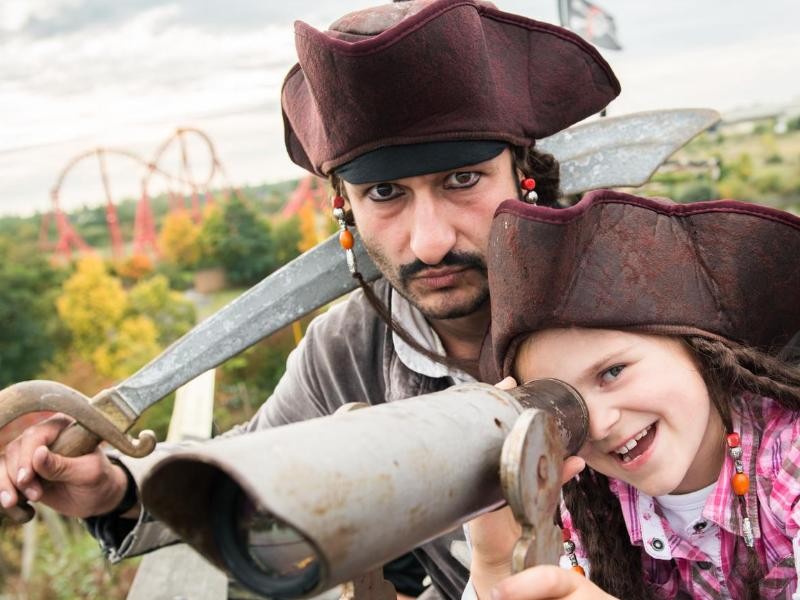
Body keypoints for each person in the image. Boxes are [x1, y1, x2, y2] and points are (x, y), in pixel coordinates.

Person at [0, 1, 620, 598]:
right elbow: (252, 466)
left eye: (462, 180)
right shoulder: (348, 349)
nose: (429, 243)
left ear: (523, 173)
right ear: (344, 207)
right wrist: (111, 487)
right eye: (384, 193)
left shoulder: (630, 296)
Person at [467, 190, 800, 599]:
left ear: (698, 348)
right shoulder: (585, 505)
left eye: (613, 372)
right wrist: (497, 564)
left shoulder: (789, 460)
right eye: (567, 406)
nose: (602, 423)